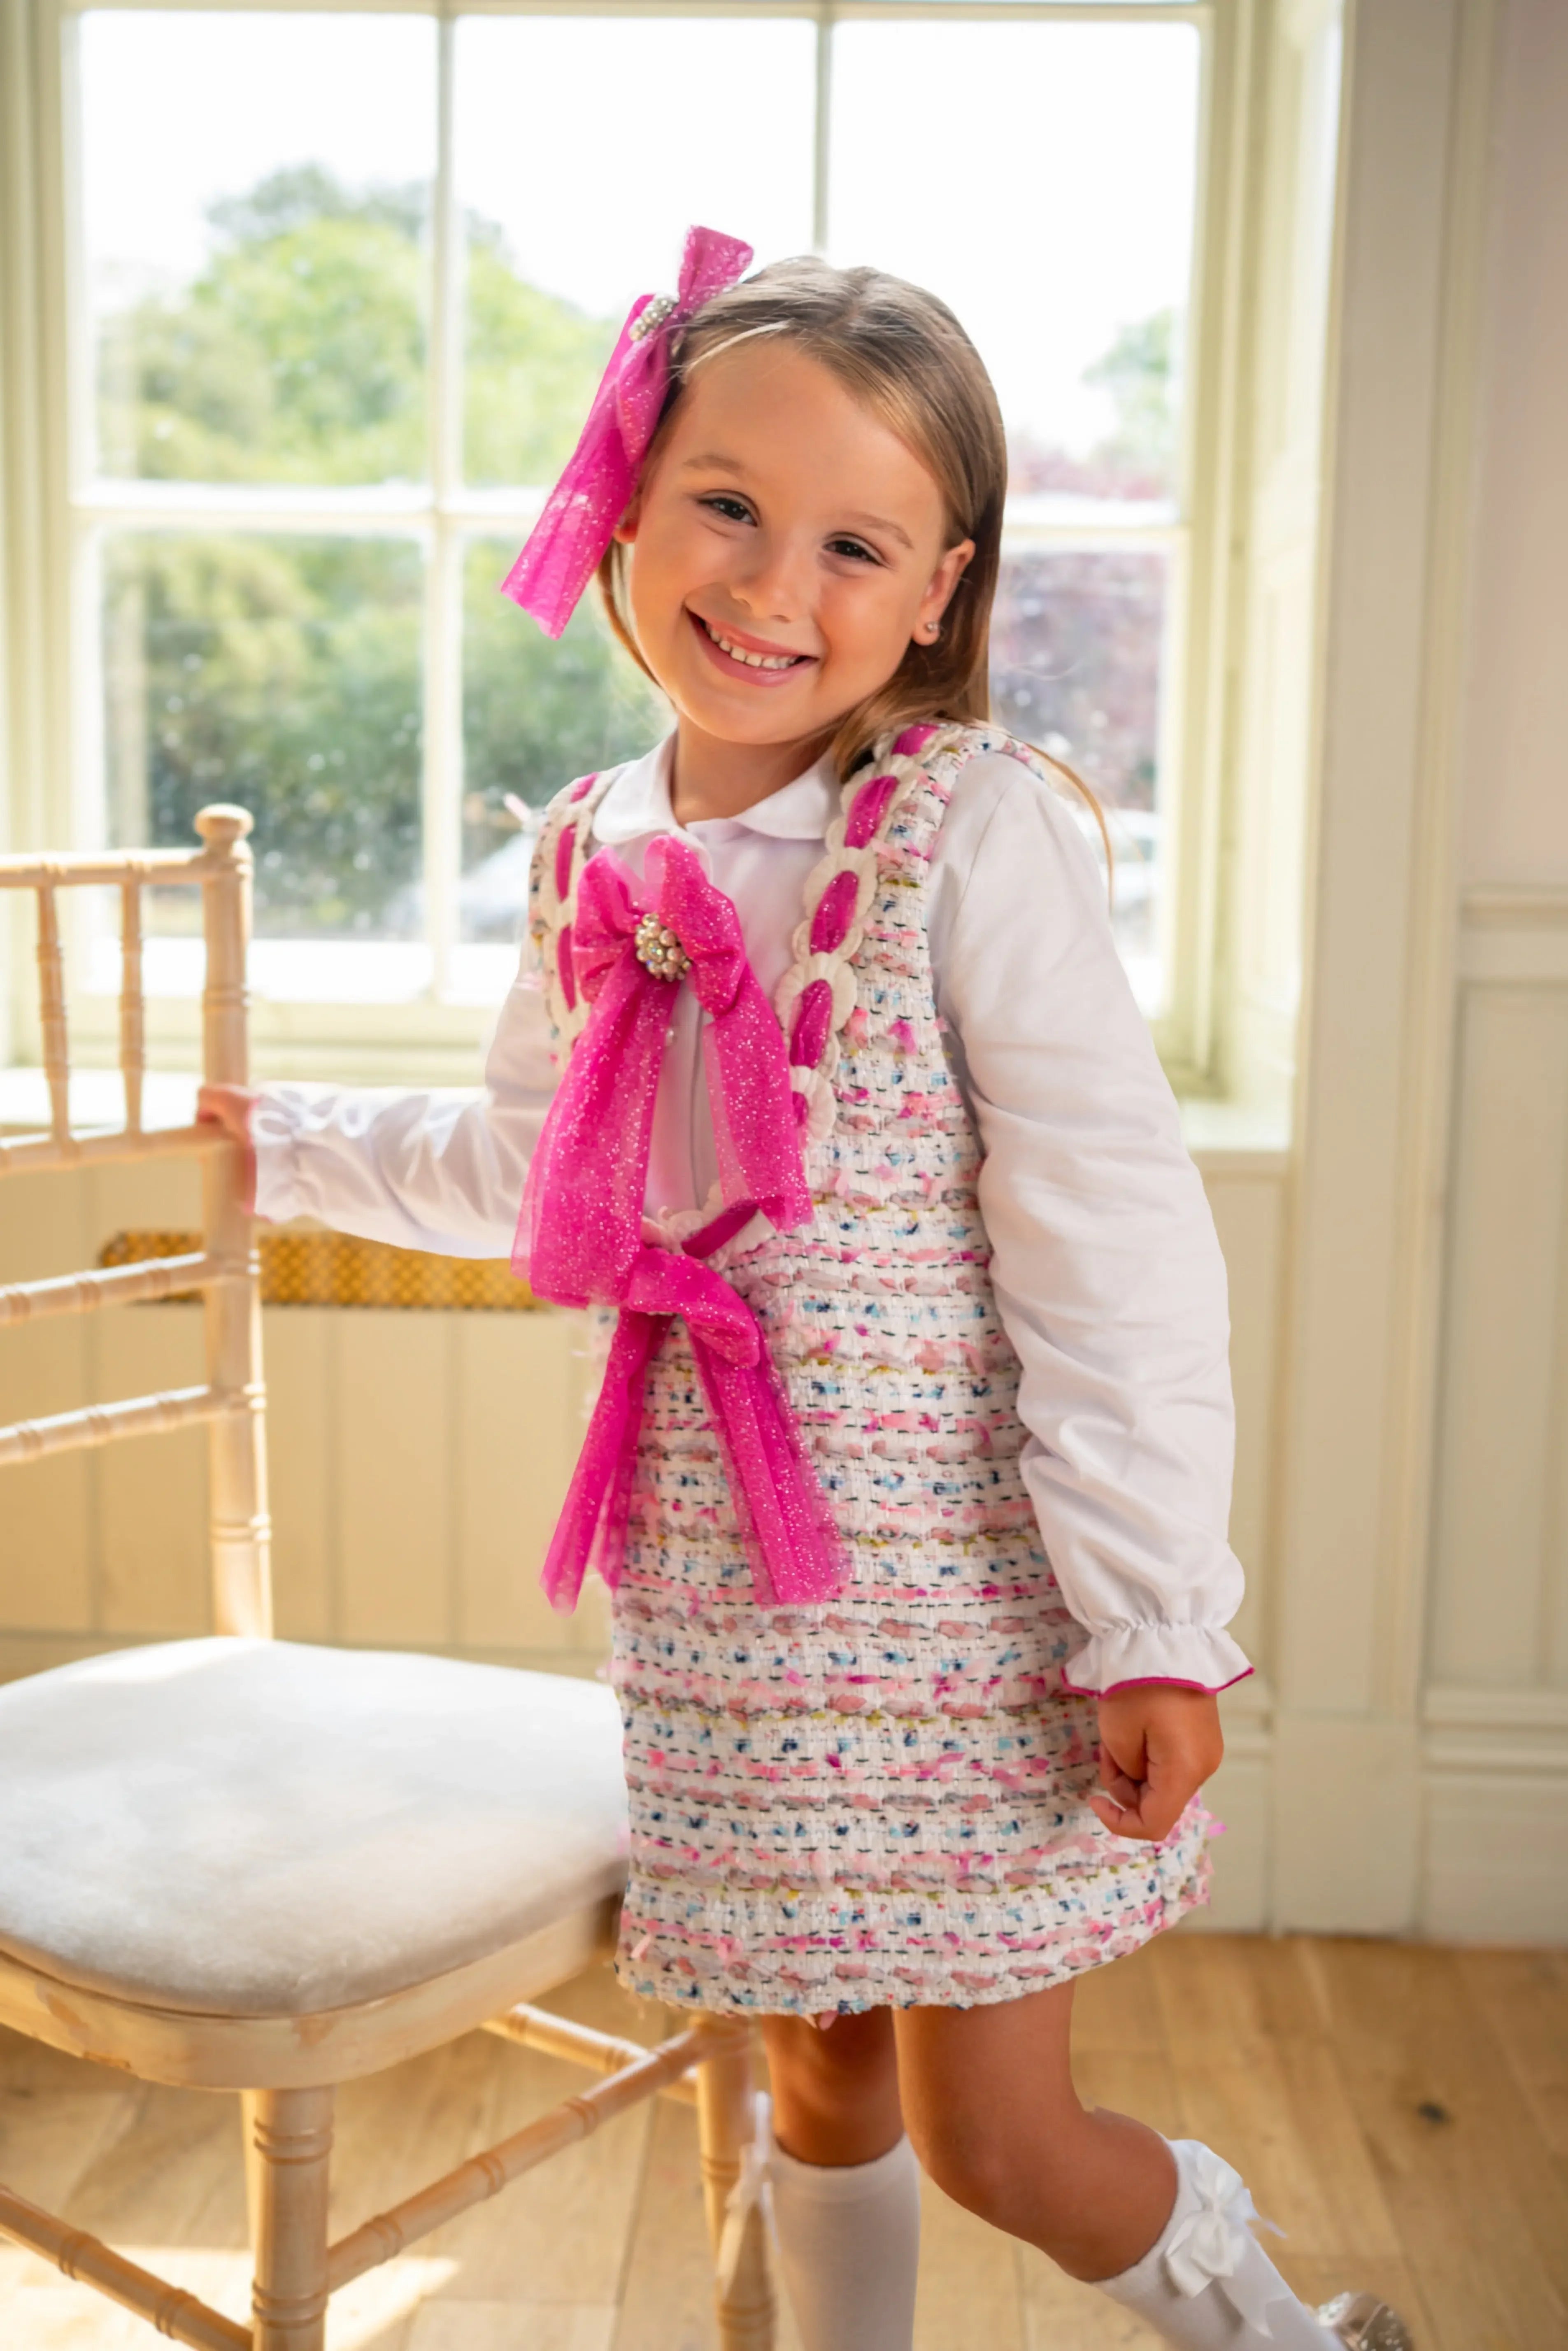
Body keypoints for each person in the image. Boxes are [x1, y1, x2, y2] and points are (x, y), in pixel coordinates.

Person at [200, 229, 1410, 2351]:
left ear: (941, 588)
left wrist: (1153, 1617)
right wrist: (273, 1141)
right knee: (817, 2066)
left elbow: (1113, 1254)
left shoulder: (973, 836)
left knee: (1001, 2140)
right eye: (728, 508)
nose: (774, 590)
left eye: (857, 542)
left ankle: (1288, 2340)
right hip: (727, 1590)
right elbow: (515, 1173)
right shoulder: (587, 850)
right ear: (630, 505)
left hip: (970, 1594)